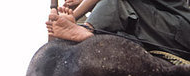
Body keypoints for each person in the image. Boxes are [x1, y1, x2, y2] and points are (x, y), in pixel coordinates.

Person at [46, 0, 190, 58]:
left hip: (180, 33)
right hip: (153, 27)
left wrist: (74, 16)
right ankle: (88, 33)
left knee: (116, 3)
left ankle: (87, 30)